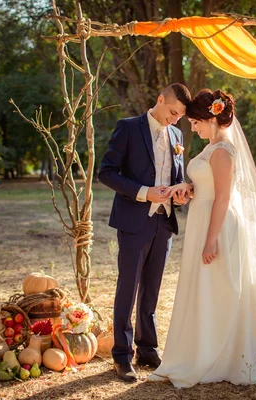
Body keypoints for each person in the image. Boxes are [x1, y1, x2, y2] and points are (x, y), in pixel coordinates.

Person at [148, 89, 256, 388]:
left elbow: (223, 198)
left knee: (219, 287)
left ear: (211, 118)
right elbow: (206, 186)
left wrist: (211, 240)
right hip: (202, 218)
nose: (192, 127)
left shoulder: (223, 151)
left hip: (218, 225)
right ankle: (200, 349)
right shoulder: (211, 148)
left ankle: (221, 356)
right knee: (203, 288)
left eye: (196, 122)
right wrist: (187, 188)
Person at [98, 83, 192, 382]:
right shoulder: (128, 128)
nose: (175, 119)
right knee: (128, 289)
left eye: (180, 116)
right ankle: (122, 356)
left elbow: (176, 177)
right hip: (133, 221)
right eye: (173, 112)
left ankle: (147, 349)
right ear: (160, 99)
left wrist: (180, 193)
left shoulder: (176, 135)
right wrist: (143, 192)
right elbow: (107, 172)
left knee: (151, 289)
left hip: (164, 223)